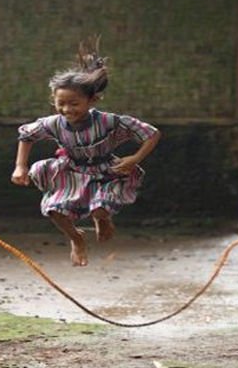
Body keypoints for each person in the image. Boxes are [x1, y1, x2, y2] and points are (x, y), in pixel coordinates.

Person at [11, 37, 161, 267]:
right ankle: (76, 239)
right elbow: (26, 135)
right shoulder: (53, 123)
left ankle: (103, 220)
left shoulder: (109, 121)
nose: (67, 109)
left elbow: (151, 134)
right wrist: (20, 166)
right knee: (54, 210)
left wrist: (135, 158)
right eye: (61, 103)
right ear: (54, 101)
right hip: (72, 169)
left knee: (100, 208)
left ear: (92, 100)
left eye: (74, 103)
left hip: (106, 170)